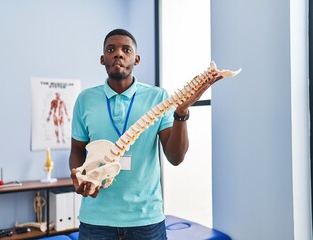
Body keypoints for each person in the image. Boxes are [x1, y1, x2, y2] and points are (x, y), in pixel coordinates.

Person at [69, 29, 221, 240]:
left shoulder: (158, 97)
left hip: (146, 220)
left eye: (126, 50)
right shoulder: (85, 99)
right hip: (96, 219)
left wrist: (181, 113)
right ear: (102, 58)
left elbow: (175, 158)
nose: (118, 54)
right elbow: (77, 151)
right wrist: (79, 177)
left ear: (136, 59)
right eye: (111, 49)